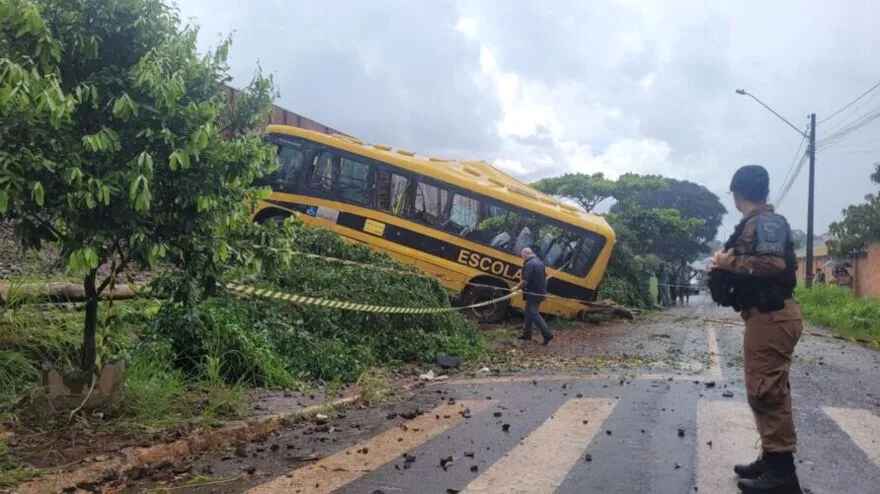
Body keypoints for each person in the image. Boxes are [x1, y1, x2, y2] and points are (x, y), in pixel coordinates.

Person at [711, 164, 803, 493]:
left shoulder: (765, 221)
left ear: (737, 195)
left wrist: (726, 263)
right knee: (763, 389)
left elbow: (771, 264)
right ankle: (771, 459)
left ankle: (782, 475)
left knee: (768, 391)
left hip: (772, 316)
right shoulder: (759, 223)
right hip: (765, 316)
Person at [513, 248, 554, 345]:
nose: (522, 258)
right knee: (528, 312)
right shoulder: (540, 263)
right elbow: (545, 279)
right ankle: (527, 334)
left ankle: (547, 334)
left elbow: (525, 281)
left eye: (522, 256)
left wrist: (517, 288)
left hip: (533, 293)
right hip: (539, 292)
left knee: (533, 313)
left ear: (526, 254)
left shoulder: (530, 264)